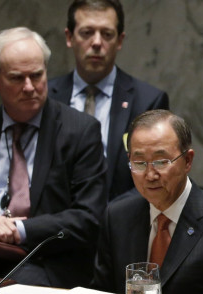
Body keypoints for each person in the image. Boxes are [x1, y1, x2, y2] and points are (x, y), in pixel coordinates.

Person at [0, 27, 106, 287]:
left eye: (37, 75)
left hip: (42, 257)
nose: (30, 87)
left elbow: (89, 217)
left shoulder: (80, 131)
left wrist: (17, 231)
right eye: (17, 78)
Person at [92, 110, 203, 294]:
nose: (150, 174)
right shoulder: (117, 216)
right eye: (139, 163)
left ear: (187, 161)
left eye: (161, 162)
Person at [49, 0, 169, 200]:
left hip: (119, 222)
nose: (97, 42)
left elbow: (156, 177)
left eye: (107, 34)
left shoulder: (148, 102)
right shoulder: (45, 97)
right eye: (87, 33)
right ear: (69, 37)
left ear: (119, 41)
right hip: (56, 224)